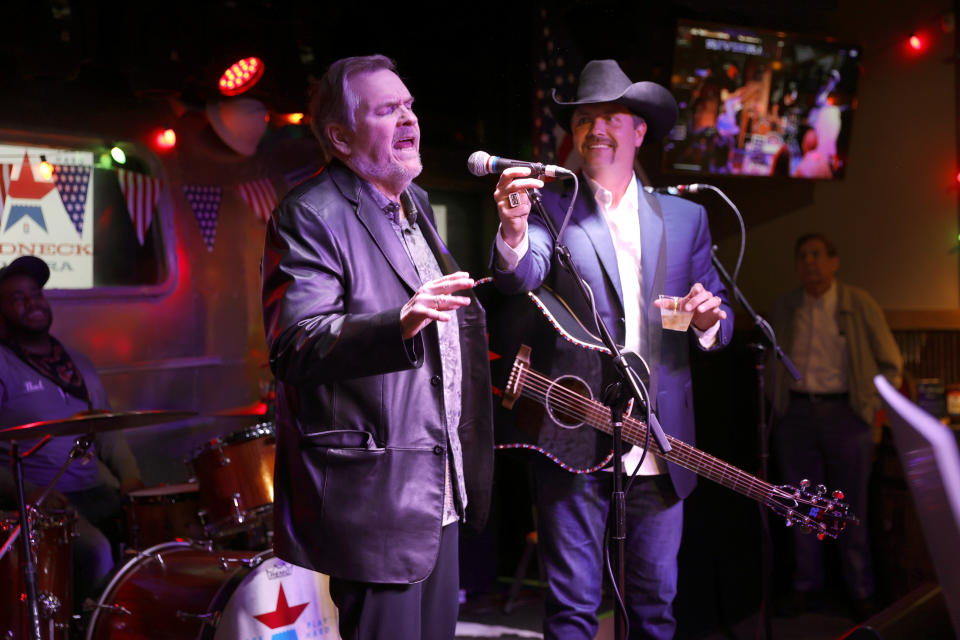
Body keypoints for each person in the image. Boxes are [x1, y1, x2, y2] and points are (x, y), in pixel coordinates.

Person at [490, 59, 734, 639]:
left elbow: (719, 325)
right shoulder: (552, 207)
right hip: (574, 435)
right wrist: (514, 230)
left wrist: (706, 320)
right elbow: (520, 276)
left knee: (654, 611)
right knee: (571, 611)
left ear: (639, 130)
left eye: (610, 118)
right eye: (584, 121)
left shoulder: (687, 217)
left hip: (660, 442)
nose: (595, 130)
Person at [261, 54, 494, 640]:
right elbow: (296, 344)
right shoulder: (310, 213)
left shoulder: (409, 205)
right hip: (377, 501)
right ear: (340, 136)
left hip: (436, 489)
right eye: (387, 110)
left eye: (409, 105)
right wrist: (399, 322)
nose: (409, 118)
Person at [767, 233, 903, 619]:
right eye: (802, 256)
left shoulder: (857, 304)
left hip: (846, 416)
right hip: (796, 415)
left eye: (816, 255)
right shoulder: (786, 307)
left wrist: (870, 407)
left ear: (833, 261)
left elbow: (891, 363)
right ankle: (805, 585)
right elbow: (770, 361)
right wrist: (776, 399)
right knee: (801, 506)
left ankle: (861, 590)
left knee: (851, 507)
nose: (809, 263)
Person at [0, 255, 142, 607]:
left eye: (35, 294)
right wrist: (30, 493)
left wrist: (132, 478)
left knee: (158, 530)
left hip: (95, 490)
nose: (31, 302)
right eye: (18, 298)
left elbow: (106, 431)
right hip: (39, 502)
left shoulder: (77, 362)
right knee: (95, 551)